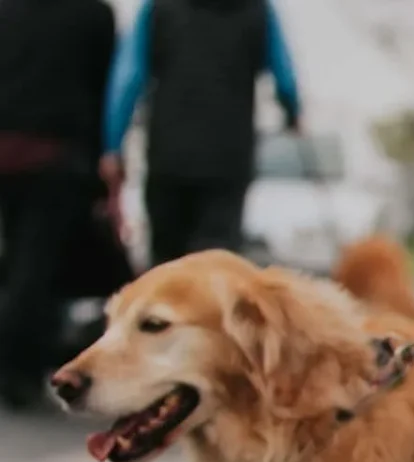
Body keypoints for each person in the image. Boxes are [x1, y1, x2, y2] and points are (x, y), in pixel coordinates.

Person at [100, 0, 302, 267]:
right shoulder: (258, 8)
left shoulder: (157, 7)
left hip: (169, 155)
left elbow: (128, 79)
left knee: (167, 262)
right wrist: (293, 113)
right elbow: (284, 76)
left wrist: (113, 146)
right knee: (216, 260)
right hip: (228, 158)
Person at [0, 0, 117, 410]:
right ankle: (17, 372)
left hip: (8, 148)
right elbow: (103, 90)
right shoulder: (93, 14)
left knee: (18, 265)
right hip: (55, 158)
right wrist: (101, 167)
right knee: (35, 269)